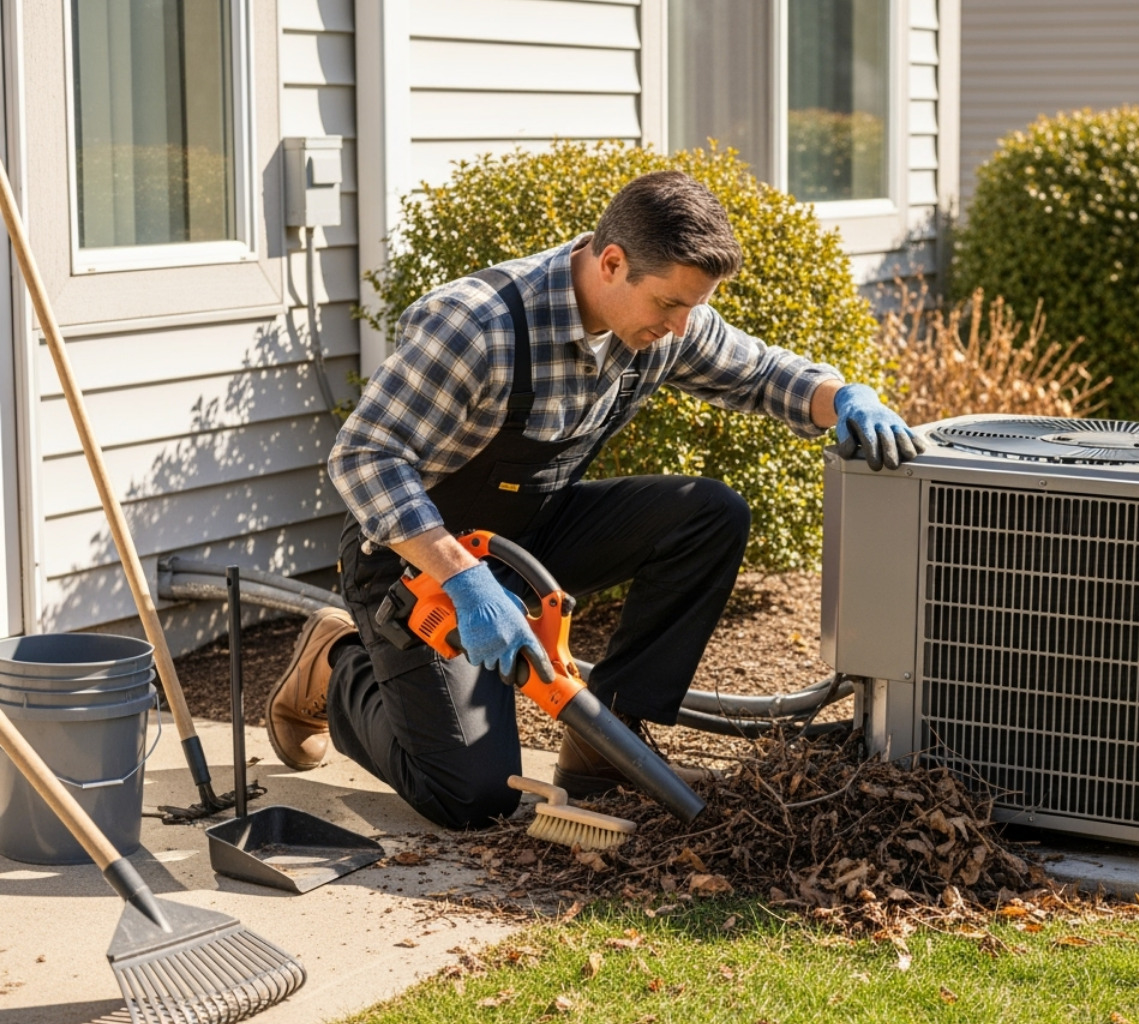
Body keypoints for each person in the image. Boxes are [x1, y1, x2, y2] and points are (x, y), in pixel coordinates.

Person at [264, 170, 924, 830]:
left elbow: (761, 375)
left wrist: (844, 397)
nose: (681, 327)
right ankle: (336, 662)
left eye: (692, 308)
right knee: (472, 797)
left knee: (709, 515)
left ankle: (603, 748)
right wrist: (464, 579)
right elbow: (364, 457)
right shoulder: (477, 326)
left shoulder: (659, 323)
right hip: (417, 565)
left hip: (526, 537)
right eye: (670, 305)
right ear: (611, 263)